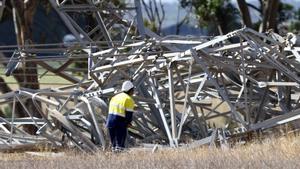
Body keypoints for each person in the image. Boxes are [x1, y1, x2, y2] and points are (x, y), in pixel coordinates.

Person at [106, 80, 135, 151]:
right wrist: (128, 123)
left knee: (114, 146)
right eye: (133, 90)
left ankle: (113, 159)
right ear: (130, 90)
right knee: (120, 146)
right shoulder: (128, 99)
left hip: (110, 122)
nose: (133, 92)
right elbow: (129, 114)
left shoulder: (115, 97)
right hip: (120, 123)